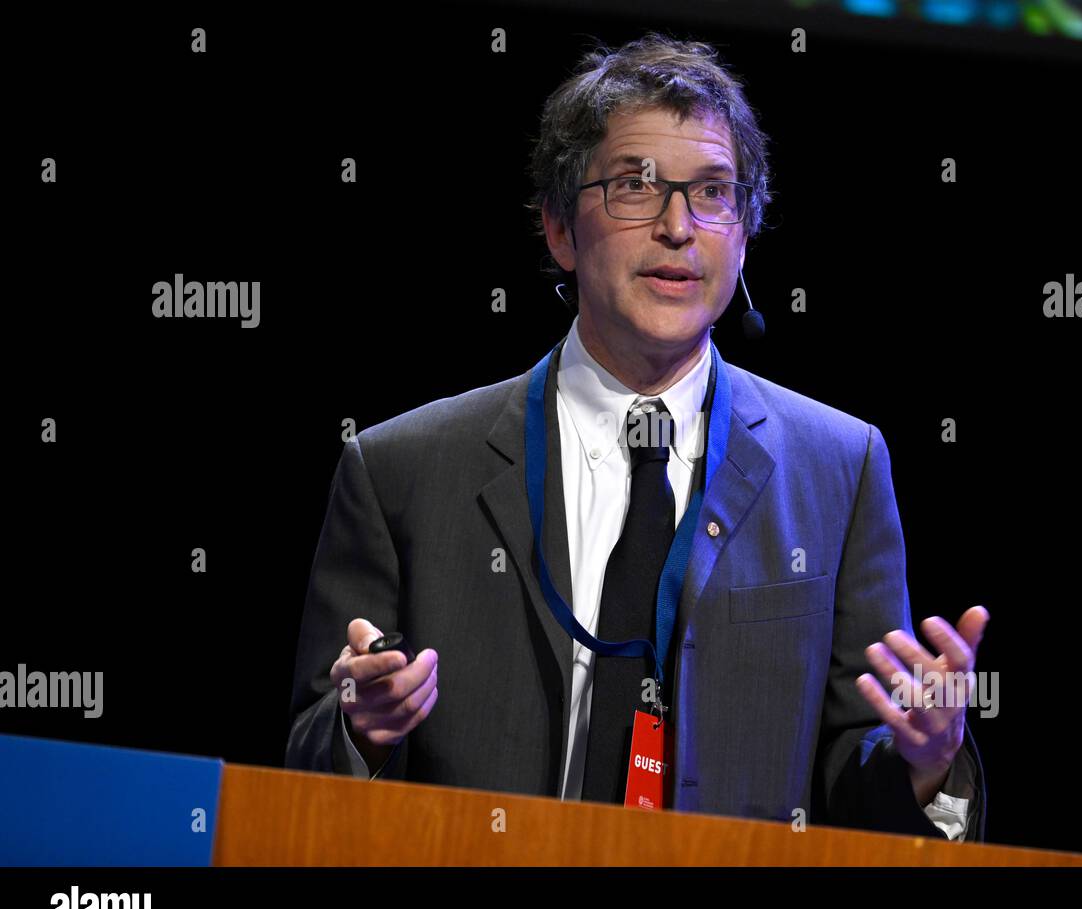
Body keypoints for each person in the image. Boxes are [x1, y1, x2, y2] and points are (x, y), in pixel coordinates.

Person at [285, 33, 989, 841]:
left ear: (745, 232)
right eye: (635, 186)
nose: (679, 227)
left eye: (714, 193)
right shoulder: (400, 468)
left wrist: (928, 757)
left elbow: (855, 786)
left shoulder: (840, 465)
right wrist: (360, 727)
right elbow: (306, 768)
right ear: (558, 228)